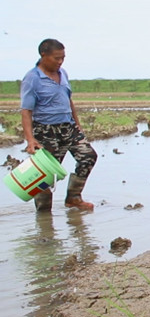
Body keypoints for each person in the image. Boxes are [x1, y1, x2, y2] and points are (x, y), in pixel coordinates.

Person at [20, 39, 98, 212]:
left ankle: (73, 198)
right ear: (43, 56)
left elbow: (68, 101)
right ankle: (43, 214)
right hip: (46, 130)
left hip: (68, 128)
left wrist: (78, 126)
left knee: (88, 156)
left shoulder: (63, 74)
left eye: (63, 58)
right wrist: (30, 140)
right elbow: (26, 111)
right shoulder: (32, 78)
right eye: (56, 58)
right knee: (44, 175)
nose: (60, 61)